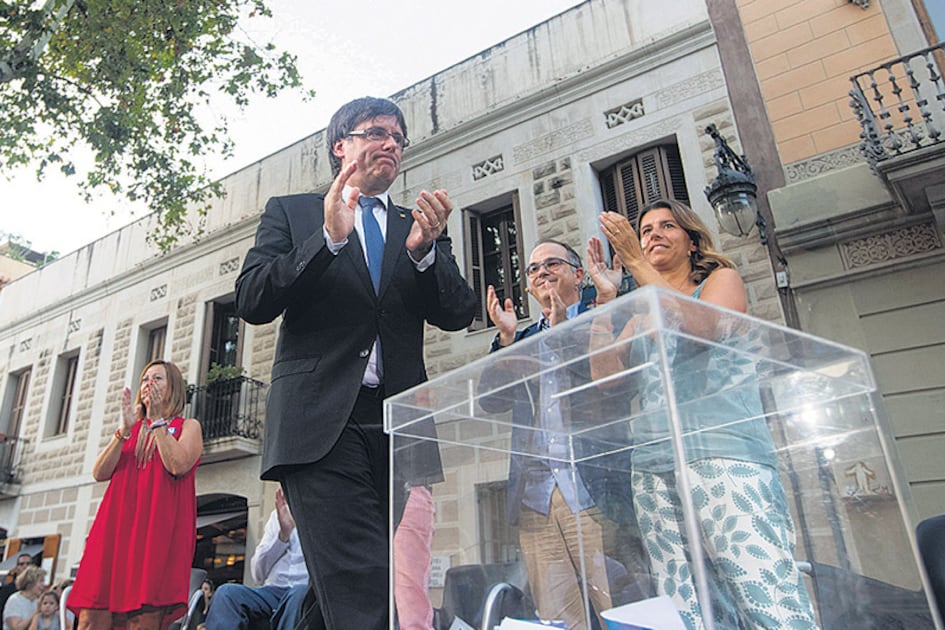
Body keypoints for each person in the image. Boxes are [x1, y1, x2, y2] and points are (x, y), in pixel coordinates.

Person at [234, 96, 477, 629]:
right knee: (364, 581)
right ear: (340, 145)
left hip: (397, 429)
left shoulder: (419, 224)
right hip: (321, 425)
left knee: (334, 595)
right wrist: (328, 239)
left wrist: (423, 254)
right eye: (376, 132)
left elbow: (460, 312)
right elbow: (252, 299)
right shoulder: (294, 212)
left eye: (398, 136)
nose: (391, 143)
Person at [586, 199, 817, 629]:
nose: (652, 234)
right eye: (645, 230)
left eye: (666, 226)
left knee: (761, 592)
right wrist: (605, 299)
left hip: (724, 454)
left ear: (692, 242)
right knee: (686, 603)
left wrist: (637, 264)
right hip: (656, 466)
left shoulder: (720, 280)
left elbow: (705, 328)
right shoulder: (640, 312)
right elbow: (605, 377)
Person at [481, 239, 638, 629]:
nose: (541, 272)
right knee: (558, 617)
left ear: (578, 274)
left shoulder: (603, 318)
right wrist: (504, 340)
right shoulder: (521, 337)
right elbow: (488, 400)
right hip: (535, 502)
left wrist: (563, 326)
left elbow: (614, 384)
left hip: (593, 492)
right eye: (533, 269)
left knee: (621, 608)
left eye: (552, 264)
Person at [67, 360, 203, 630]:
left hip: (154, 532)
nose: (148, 384)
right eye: (145, 379)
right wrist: (123, 431)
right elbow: (100, 472)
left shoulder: (187, 426)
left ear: (173, 388)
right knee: (91, 618)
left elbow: (177, 464)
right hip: (115, 531)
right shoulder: (130, 431)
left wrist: (157, 422)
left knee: (142, 619)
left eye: (157, 379)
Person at [204, 488, 307, 630]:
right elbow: (257, 575)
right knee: (226, 593)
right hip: (271, 592)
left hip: (305, 592)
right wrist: (283, 535)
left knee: (299, 594)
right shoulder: (278, 515)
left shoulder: (331, 516)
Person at [3, 566, 45, 630]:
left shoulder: (38, 601)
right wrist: (36, 612)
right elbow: (15, 627)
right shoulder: (15, 600)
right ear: (31, 582)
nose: (43, 585)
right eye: (41, 581)